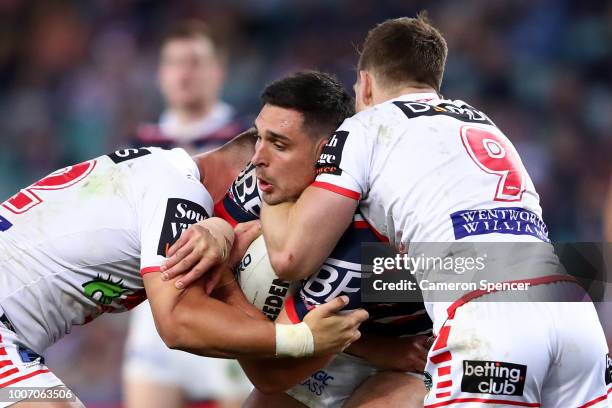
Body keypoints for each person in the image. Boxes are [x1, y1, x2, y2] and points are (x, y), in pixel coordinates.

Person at [163, 15, 611, 407]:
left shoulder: (365, 126)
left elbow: (292, 255)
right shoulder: (481, 120)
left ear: (366, 84)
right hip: (570, 306)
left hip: (488, 314)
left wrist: (270, 195)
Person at [0, 132, 367, 407]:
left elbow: (407, 295)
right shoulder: (181, 194)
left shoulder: (156, 169)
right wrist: (302, 338)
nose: (270, 220)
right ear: (248, 179)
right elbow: (179, 323)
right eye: (269, 202)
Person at [169, 70, 432, 407]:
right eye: (260, 137)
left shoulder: (373, 232)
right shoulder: (263, 181)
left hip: (412, 358)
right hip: (337, 347)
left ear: (326, 154)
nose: (257, 158)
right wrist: (218, 232)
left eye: (279, 144)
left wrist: (225, 285)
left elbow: (272, 371)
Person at [124, 19, 251, 408]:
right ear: (161, 74)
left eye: (195, 62)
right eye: (174, 62)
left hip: (226, 299)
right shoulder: (140, 145)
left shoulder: (245, 140)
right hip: (155, 308)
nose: (184, 73)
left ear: (218, 71)